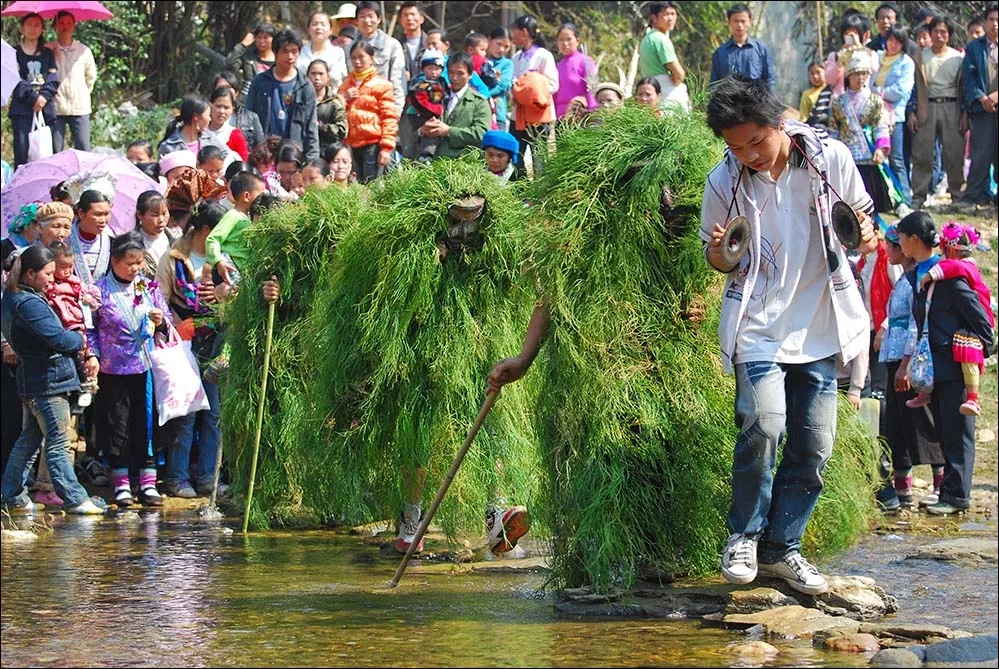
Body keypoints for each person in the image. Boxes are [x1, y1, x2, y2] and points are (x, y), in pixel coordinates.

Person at [700, 75, 878, 595]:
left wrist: (866, 233)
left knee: (815, 445)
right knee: (763, 424)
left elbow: (864, 227)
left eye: (757, 140)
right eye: (737, 147)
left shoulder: (830, 160)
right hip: (758, 325)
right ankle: (744, 536)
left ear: (780, 123)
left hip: (819, 323)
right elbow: (716, 260)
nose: (749, 155)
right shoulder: (723, 181)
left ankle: (783, 549)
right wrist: (718, 251)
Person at [895, 212, 993, 516]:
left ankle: (958, 496)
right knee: (948, 432)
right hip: (939, 368)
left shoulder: (952, 281)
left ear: (913, 239)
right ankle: (949, 493)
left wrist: (974, 350)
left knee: (959, 432)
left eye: (900, 238)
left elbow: (984, 325)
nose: (898, 243)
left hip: (957, 367)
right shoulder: (922, 276)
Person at [0, 245, 105, 515]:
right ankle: (75, 498)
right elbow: (57, 338)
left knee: (29, 440)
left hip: (33, 381)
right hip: (49, 383)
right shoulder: (28, 303)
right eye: (47, 273)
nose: (51, 278)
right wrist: (77, 339)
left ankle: (11, 495)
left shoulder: (14, 298)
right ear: (30, 274)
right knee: (58, 442)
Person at [88, 231, 171, 508]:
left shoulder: (148, 288)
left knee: (145, 423)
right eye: (130, 263)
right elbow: (89, 331)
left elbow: (167, 323)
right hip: (112, 370)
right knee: (117, 425)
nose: (136, 268)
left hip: (144, 366)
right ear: (114, 261)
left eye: (139, 262)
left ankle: (148, 484)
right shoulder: (98, 291)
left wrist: (160, 324)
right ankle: (121, 484)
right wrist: (93, 356)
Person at [156, 200, 229, 499]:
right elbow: (158, 298)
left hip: (216, 340)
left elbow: (237, 295)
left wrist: (226, 294)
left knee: (213, 414)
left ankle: (208, 477)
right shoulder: (173, 258)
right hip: (183, 342)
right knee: (186, 412)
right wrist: (176, 324)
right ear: (207, 231)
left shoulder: (224, 259)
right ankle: (177, 477)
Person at [876, 225, 944, 509]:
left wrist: (906, 363)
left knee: (920, 420)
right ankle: (902, 487)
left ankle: (941, 483)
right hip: (894, 356)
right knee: (897, 423)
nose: (889, 252)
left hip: (909, 358)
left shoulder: (918, 280)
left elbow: (917, 322)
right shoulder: (905, 278)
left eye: (892, 246)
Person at [908, 222, 995, 417]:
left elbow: (949, 267)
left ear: (952, 250)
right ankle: (924, 391)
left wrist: (929, 275)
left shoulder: (964, 267)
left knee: (966, 345)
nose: (942, 254)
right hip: (969, 320)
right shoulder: (964, 267)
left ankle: (973, 398)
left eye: (944, 250)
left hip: (980, 321)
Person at [909, 16, 966, 211]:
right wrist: (912, 113)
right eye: (935, 31)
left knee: (954, 153)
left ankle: (957, 194)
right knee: (922, 154)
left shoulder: (957, 58)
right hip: (927, 106)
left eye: (943, 32)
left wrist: (965, 114)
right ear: (930, 33)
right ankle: (918, 195)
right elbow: (913, 88)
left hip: (952, 106)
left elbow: (963, 89)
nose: (939, 35)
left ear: (949, 35)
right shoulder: (920, 57)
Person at [828, 52, 894, 215]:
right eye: (856, 73)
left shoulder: (874, 101)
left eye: (864, 73)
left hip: (868, 157)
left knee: (871, 206)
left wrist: (880, 148)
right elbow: (833, 130)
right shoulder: (837, 102)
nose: (860, 77)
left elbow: (880, 125)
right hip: (846, 156)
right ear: (849, 75)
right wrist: (830, 155)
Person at [245, 28, 321, 162]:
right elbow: (248, 118)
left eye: (294, 51)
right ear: (275, 52)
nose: (290, 56)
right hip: (264, 155)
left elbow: (311, 128)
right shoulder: (260, 81)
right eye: (285, 51)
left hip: (293, 156)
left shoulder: (305, 86)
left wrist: (311, 161)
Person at [340, 40, 399, 183]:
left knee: (372, 185)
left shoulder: (382, 85)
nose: (357, 61)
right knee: (355, 185)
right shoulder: (346, 85)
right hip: (351, 144)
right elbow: (337, 112)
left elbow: (389, 118)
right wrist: (343, 98)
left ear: (371, 58)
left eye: (361, 57)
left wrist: (386, 148)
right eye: (353, 58)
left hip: (372, 144)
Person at [958, 3, 998, 212]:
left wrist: (996, 96)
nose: (995, 24)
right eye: (991, 19)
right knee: (980, 153)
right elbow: (969, 77)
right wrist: (983, 98)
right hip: (981, 110)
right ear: (985, 22)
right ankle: (974, 195)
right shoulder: (974, 48)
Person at [871, 25, 915, 209]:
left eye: (898, 41)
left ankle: (904, 197)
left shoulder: (906, 62)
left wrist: (877, 92)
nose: (893, 44)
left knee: (896, 158)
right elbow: (866, 80)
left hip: (894, 117)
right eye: (891, 40)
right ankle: (884, 198)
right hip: (873, 115)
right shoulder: (877, 57)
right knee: (876, 157)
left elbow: (901, 90)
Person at [9, 13, 59, 168]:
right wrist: (33, 98)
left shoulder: (48, 53)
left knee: (45, 155)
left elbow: (53, 78)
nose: (33, 28)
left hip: (44, 109)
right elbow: (15, 80)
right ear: (22, 28)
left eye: (37, 25)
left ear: (42, 29)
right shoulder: (14, 53)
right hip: (22, 110)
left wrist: (43, 96)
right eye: (29, 24)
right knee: (22, 153)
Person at [510, 16, 559, 173]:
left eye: (514, 32)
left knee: (540, 159)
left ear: (524, 32)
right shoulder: (515, 57)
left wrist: (530, 90)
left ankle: (539, 195)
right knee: (515, 156)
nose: (512, 36)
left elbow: (553, 84)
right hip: (518, 115)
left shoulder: (544, 55)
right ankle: (519, 191)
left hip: (539, 116)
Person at [204, 171, 267, 286]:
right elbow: (213, 239)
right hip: (229, 267)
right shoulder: (233, 215)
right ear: (246, 196)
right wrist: (219, 261)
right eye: (260, 195)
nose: (263, 199)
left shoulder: (249, 219)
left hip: (241, 272)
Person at [425, 53, 491, 160]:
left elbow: (481, 133)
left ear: (470, 75)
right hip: (435, 161)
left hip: (463, 162)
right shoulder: (437, 95)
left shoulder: (479, 102)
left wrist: (449, 131)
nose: (455, 78)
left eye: (460, 73)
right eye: (451, 72)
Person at [46, 11, 96, 152]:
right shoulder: (48, 49)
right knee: (55, 150)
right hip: (56, 106)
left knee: (84, 148)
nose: (65, 27)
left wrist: (82, 93)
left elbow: (90, 77)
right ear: (55, 26)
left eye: (68, 23)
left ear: (74, 26)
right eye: (61, 23)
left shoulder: (83, 50)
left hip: (79, 107)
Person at [709, 4, 776, 91]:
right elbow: (714, 84)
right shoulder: (720, 53)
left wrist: (768, 102)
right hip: (729, 102)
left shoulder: (761, 50)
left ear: (750, 22)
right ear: (729, 22)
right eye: (736, 21)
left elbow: (769, 80)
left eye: (743, 21)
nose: (739, 25)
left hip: (755, 102)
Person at [354, 1, 406, 113]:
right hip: (357, 110)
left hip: (383, 108)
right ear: (356, 21)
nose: (367, 21)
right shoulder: (349, 48)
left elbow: (398, 82)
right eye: (362, 16)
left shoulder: (392, 45)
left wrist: (395, 112)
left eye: (371, 16)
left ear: (379, 19)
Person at [639, 3, 687, 112]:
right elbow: (679, 74)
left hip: (652, 88)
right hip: (666, 92)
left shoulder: (648, 38)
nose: (670, 18)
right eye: (666, 14)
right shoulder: (660, 39)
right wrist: (676, 78)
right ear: (654, 18)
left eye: (673, 14)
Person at [402, 49, 448, 161]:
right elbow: (420, 102)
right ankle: (425, 158)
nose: (433, 72)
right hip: (420, 115)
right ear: (423, 69)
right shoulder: (420, 84)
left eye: (437, 69)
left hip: (435, 114)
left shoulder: (441, 82)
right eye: (430, 68)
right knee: (427, 137)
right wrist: (436, 110)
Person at [824, 12, 880, 99]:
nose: (851, 36)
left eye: (855, 33)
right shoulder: (835, 56)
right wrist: (839, 62)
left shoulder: (870, 53)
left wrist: (859, 47)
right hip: (839, 103)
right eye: (847, 33)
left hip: (862, 101)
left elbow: (874, 69)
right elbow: (829, 79)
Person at [158, 93, 226, 159]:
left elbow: (226, 154)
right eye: (208, 115)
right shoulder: (169, 147)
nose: (210, 119)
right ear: (196, 118)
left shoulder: (210, 138)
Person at [69, 189, 114, 286]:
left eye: (106, 214)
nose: (103, 220)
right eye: (98, 214)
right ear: (81, 213)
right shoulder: (65, 241)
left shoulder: (112, 244)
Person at [213, 71, 265, 151]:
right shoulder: (205, 116)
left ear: (236, 92)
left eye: (228, 87)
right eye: (221, 88)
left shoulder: (251, 118)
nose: (225, 92)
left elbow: (260, 148)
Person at [553, 23, 597, 120]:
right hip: (560, 119)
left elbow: (592, 90)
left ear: (577, 41)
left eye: (569, 39)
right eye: (561, 39)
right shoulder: (557, 66)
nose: (565, 43)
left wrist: (592, 113)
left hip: (579, 116)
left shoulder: (585, 61)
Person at [226, 22, 276, 105]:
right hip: (245, 102)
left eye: (265, 37)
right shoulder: (248, 57)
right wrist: (242, 45)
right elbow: (230, 65)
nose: (261, 41)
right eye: (259, 37)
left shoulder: (279, 60)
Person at [307, 59, 349, 159]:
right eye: (313, 73)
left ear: (328, 77)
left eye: (321, 74)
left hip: (328, 152)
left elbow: (342, 131)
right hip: (306, 150)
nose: (317, 78)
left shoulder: (334, 102)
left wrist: (322, 126)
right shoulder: (301, 100)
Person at [297, 10, 347, 90]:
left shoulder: (338, 53)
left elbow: (338, 76)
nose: (318, 27)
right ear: (308, 29)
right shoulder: (299, 52)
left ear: (331, 30)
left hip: (330, 98)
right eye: (314, 24)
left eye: (323, 24)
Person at [135, 191, 176, 278]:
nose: (161, 219)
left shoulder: (176, 239)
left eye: (164, 213)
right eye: (155, 215)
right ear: (140, 215)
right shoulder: (132, 244)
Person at [207, 86, 250, 162]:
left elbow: (243, 164)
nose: (222, 111)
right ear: (210, 105)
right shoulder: (200, 131)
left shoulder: (236, 136)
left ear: (232, 109)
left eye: (226, 108)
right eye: (218, 106)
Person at [485, 27, 514, 131]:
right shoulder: (479, 60)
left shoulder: (507, 64)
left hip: (497, 113)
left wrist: (483, 95)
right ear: (489, 40)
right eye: (499, 44)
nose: (501, 49)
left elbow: (503, 85)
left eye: (506, 47)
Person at [398, 1, 428, 81]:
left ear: (422, 19)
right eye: (405, 15)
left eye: (412, 14)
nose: (409, 18)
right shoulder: (396, 45)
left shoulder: (430, 44)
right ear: (401, 20)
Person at [799, 62, 833, 129]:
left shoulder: (832, 90)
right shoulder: (807, 94)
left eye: (818, 72)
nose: (815, 76)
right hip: (815, 130)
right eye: (812, 73)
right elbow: (804, 118)